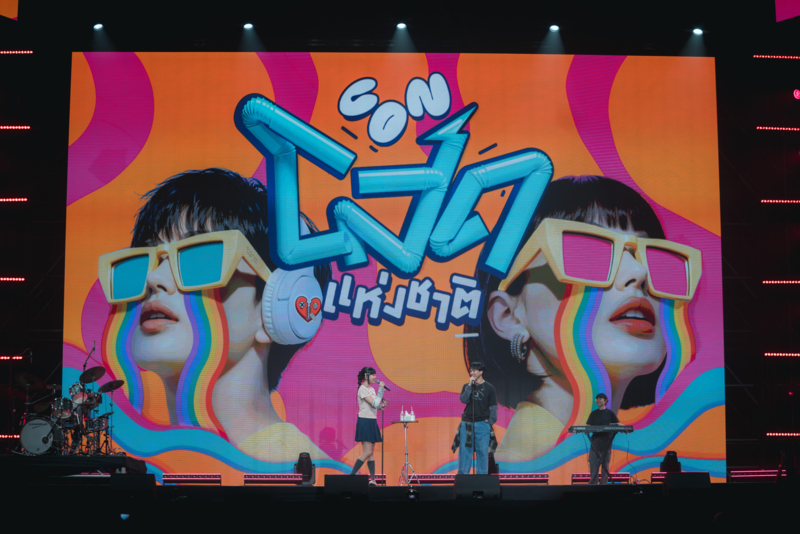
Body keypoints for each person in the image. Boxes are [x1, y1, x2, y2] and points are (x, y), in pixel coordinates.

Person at [99, 168, 331, 462]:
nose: (154, 279)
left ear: (278, 306)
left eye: (200, 258)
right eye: (144, 260)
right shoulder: (153, 460)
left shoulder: (291, 467)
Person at [464, 175, 700, 463]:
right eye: (588, 253)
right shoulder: (521, 467)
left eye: (653, 257)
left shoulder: (634, 457)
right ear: (508, 315)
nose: (639, 273)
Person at [457, 361, 498, 474]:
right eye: (471, 370)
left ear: (481, 371)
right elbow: (464, 400)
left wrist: (489, 423)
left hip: (482, 424)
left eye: (474, 370)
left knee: (482, 452)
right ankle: (463, 479)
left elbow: (494, 408)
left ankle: (482, 479)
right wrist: (469, 386)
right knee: (465, 452)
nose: (472, 372)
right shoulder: (467, 386)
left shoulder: (489, 388)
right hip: (467, 423)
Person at [352, 366, 388, 485]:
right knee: (367, 452)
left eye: (375, 375)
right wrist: (381, 390)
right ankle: (350, 477)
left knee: (371, 453)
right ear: (366, 376)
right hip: (365, 421)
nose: (375, 377)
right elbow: (373, 403)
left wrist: (381, 406)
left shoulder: (372, 389)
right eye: (373, 375)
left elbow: (376, 405)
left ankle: (372, 480)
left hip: (372, 421)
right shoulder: (362, 389)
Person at [586, 393, 619, 484]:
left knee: (605, 462)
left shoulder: (610, 413)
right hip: (595, 441)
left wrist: (627, 428)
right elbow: (588, 425)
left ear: (605, 401)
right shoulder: (593, 413)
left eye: (600, 399)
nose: (598, 400)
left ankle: (604, 484)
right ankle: (593, 484)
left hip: (606, 440)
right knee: (593, 462)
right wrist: (585, 429)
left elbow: (618, 424)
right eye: (597, 399)